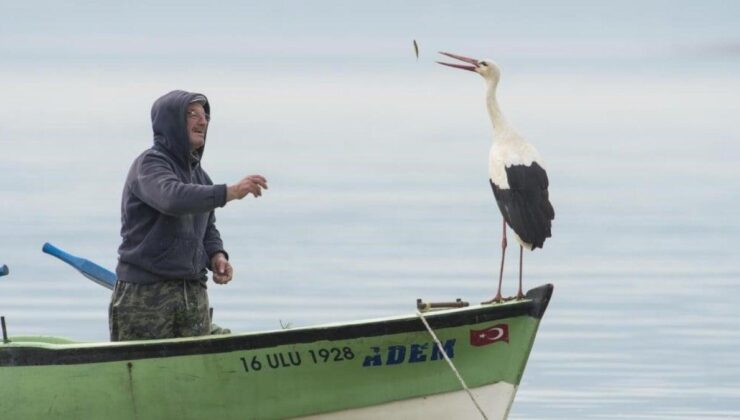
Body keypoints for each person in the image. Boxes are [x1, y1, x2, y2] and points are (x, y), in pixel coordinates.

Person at [109, 90, 268, 341]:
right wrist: (232, 192)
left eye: (204, 116)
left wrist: (216, 255)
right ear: (170, 122)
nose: (202, 121)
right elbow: (171, 198)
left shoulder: (201, 177)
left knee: (196, 373)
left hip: (193, 293)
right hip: (147, 295)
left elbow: (207, 228)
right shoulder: (150, 165)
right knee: (149, 375)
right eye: (191, 115)